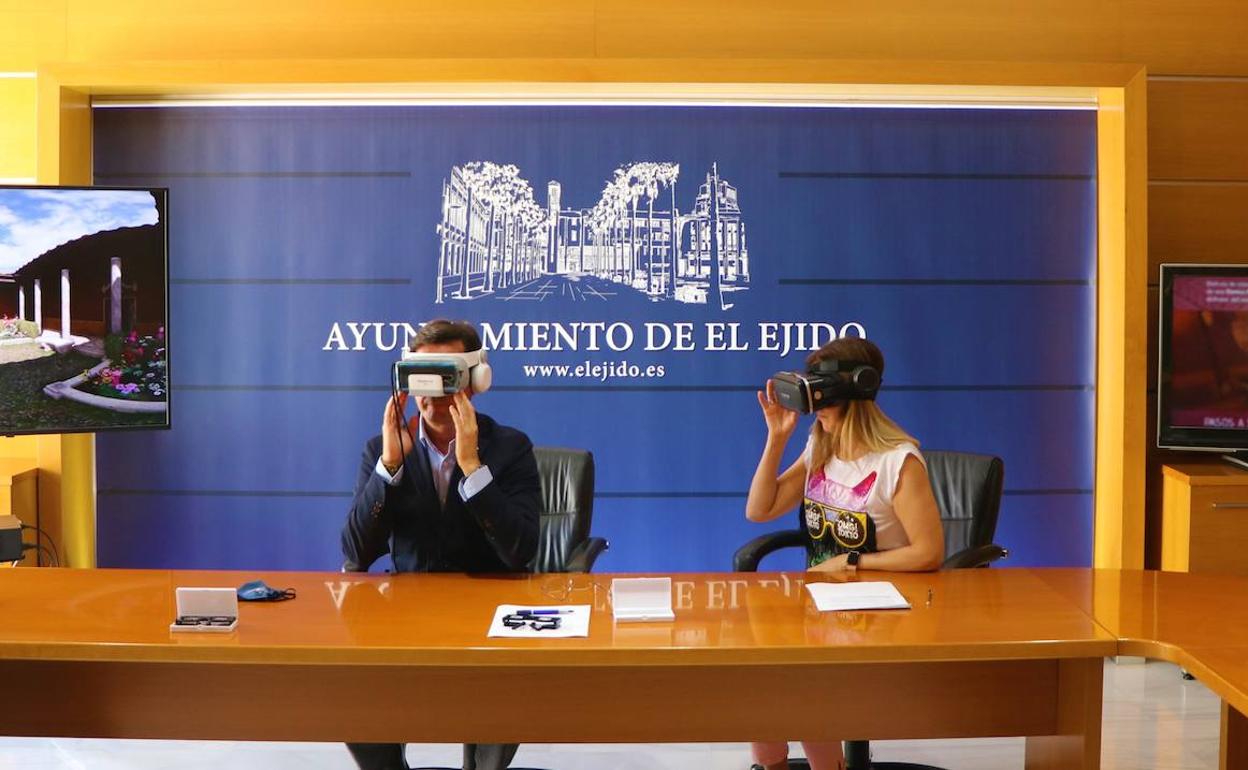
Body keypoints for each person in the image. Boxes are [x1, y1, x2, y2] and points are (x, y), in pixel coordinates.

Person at [342, 318, 541, 770]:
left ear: (475, 381)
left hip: (489, 618)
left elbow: (522, 549)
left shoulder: (510, 448)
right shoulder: (384, 448)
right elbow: (355, 551)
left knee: (497, 701)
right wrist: (390, 468)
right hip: (406, 614)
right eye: (420, 378)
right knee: (353, 694)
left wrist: (473, 468)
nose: (431, 393)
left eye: (446, 377)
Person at [744, 337, 945, 770]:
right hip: (822, 612)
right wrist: (776, 439)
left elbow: (929, 552)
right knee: (758, 676)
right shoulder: (821, 447)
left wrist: (852, 563)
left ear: (856, 392)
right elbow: (759, 510)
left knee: (800, 683)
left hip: (882, 616)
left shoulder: (897, 461)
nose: (816, 409)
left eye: (824, 396)